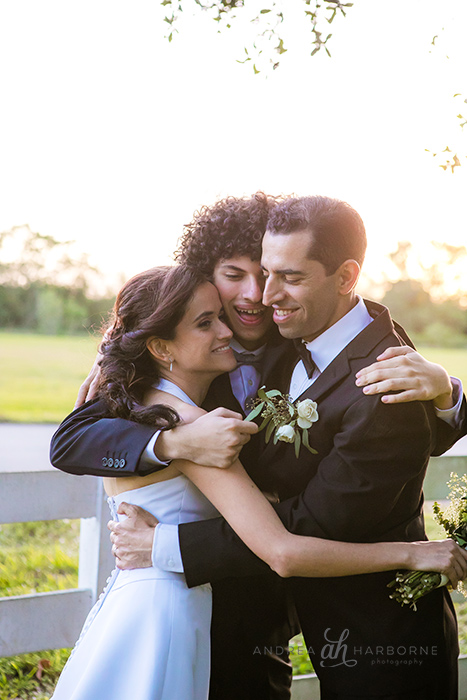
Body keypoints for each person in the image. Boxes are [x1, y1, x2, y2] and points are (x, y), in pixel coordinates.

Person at [51, 193, 466, 700]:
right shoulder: (167, 372)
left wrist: (447, 393)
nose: (261, 295)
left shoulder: (333, 342)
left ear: (344, 277)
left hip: (329, 622)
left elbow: (394, 434)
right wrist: (176, 440)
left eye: (281, 276)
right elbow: (73, 440)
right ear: (205, 279)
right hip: (203, 604)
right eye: (240, 275)